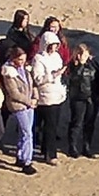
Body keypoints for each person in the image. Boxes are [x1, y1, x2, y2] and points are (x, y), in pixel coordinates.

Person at [30, 32, 69, 166]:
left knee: (53, 125)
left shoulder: (57, 56)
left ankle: (45, 149)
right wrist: (53, 75)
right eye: (51, 45)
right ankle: (50, 154)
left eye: (55, 45)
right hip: (46, 96)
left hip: (57, 94)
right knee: (49, 127)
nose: (53, 48)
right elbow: (38, 78)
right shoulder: (38, 59)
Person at [0, 45, 38, 176]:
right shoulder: (8, 72)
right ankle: (27, 161)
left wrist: (35, 98)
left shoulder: (24, 69)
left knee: (25, 132)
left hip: (29, 104)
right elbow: (14, 93)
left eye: (23, 59)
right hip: (18, 105)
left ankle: (21, 156)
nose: (22, 62)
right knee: (27, 133)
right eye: (20, 59)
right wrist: (29, 101)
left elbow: (32, 84)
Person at [65, 41, 99, 157]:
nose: (85, 57)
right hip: (78, 98)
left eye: (87, 55)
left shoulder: (93, 64)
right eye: (83, 55)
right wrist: (80, 65)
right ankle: (72, 146)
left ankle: (86, 146)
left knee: (89, 123)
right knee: (77, 122)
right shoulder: (73, 65)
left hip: (91, 97)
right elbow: (74, 79)